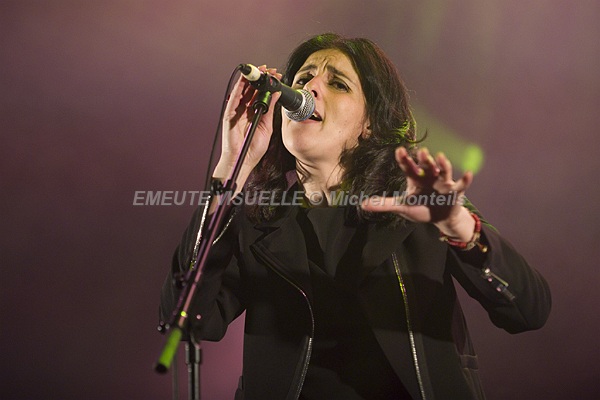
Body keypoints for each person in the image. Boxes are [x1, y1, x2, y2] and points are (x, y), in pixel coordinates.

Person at [160, 33, 551, 400]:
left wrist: (461, 228)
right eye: (303, 78)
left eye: (338, 84)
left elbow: (529, 310)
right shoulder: (257, 221)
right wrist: (232, 165)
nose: (309, 89)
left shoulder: (418, 204)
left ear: (369, 125)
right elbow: (189, 317)